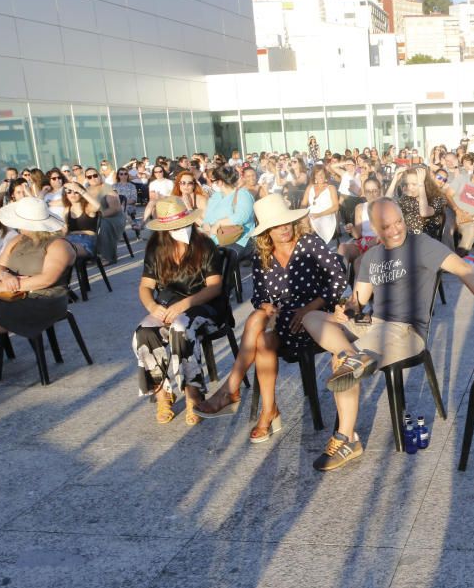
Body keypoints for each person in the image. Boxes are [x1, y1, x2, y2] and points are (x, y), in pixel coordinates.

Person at [299, 197, 474, 471]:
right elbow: (358, 302)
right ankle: (351, 355)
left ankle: (346, 438)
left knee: (340, 366)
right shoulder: (372, 256)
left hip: (406, 330)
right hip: (374, 322)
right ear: (375, 228)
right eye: (387, 226)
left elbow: (465, 269)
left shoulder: (420, 244)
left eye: (399, 222)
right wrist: (345, 310)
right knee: (313, 317)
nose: (396, 229)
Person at [195, 195, 347, 441]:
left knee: (257, 325)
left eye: (285, 223)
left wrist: (310, 307)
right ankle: (266, 409)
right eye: (276, 226)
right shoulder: (261, 255)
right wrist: (265, 305)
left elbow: (338, 279)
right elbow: (258, 296)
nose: (284, 229)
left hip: (313, 321)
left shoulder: (309, 243)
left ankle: (233, 393)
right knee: (260, 330)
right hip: (281, 322)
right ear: (267, 230)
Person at [0, 198, 75, 402]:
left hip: (41, 301)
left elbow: (47, 279)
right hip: (11, 294)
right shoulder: (17, 240)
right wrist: (6, 277)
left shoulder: (59, 245)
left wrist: (8, 284)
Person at [133, 197, 224, 425]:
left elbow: (215, 286)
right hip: (167, 305)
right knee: (143, 331)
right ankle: (162, 393)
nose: (179, 230)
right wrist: (153, 307)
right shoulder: (156, 248)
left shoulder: (205, 244)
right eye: (173, 227)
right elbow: (145, 286)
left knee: (181, 328)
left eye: (182, 224)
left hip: (204, 306)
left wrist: (185, 304)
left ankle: (193, 394)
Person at [202, 166, 256, 260]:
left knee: (219, 261)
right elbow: (207, 217)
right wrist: (207, 229)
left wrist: (218, 223)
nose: (213, 183)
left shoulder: (243, 194)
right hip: (214, 238)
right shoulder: (216, 196)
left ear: (220, 182)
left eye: (214, 181)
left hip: (238, 239)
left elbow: (241, 217)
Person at [390, 166, 447, 240]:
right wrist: (394, 180)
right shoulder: (407, 198)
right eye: (407, 184)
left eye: (414, 184)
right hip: (408, 242)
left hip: (428, 244)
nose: (410, 187)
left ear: (424, 184)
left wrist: (421, 184)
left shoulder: (437, 199)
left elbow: (424, 212)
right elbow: (384, 205)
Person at [338, 177, 382, 268]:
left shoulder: (386, 206)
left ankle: (358, 281)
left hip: (380, 243)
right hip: (364, 243)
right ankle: (341, 277)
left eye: (374, 190)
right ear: (364, 193)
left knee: (359, 262)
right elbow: (357, 235)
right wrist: (351, 228)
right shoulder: (360, 207)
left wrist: (377, 239)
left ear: (379, 191)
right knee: (343, 247)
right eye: (368, 191)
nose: (372, 194)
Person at [300, 165, 340, 247]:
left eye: (322, 174)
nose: (320, 176)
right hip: (311, 214)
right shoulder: (310, 187)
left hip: (326, 215)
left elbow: (336, 207)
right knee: (303, 220)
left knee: (306, 221)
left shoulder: (331, 188)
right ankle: (311, 245)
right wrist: (301, 214)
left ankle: (310, 245)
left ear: (325, 175)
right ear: (314, 176)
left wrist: (319, 215)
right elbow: (303, 204)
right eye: (317, 174)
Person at [62, 180, 103, 257]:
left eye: (76, 192)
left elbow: (98, 207)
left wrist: (80, 190)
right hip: (70, 239)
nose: (73, 194)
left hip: (87, 240)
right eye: (69, 192)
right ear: (66, 195)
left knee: (67, 251)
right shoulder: (67, 210)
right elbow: (64, 230)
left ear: (81, 194)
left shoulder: (88, 207)